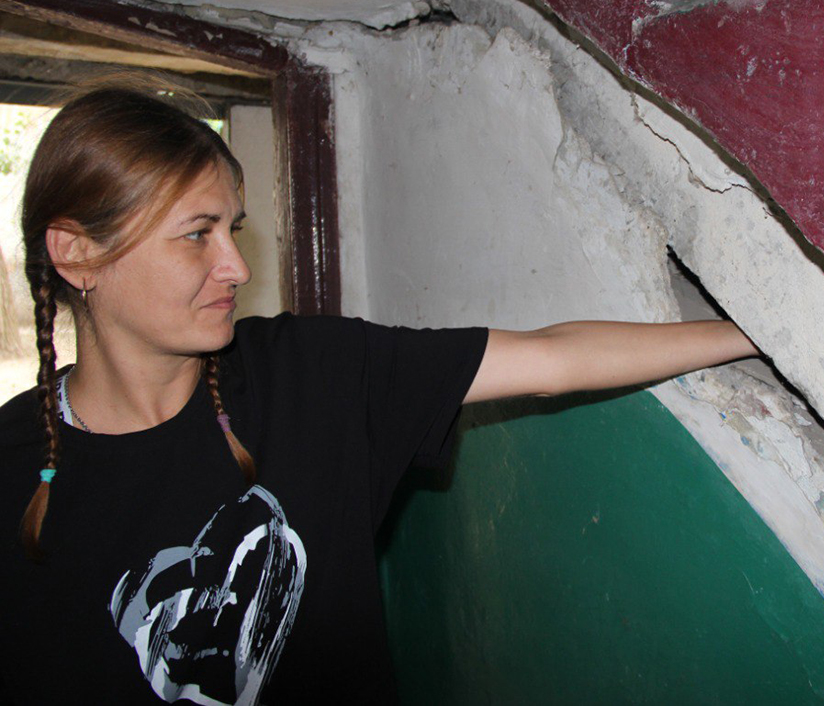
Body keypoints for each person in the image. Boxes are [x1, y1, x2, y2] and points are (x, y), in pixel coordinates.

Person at [0, 76, 757, 704]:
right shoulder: (10, 468)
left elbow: (552, 358)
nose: (236, 266)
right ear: (77, 254)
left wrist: (757, 334)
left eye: (234, 228)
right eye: (198, 234)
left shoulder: (310, 372)